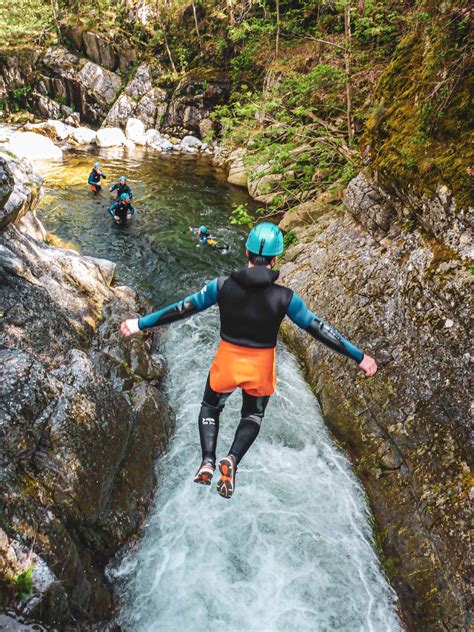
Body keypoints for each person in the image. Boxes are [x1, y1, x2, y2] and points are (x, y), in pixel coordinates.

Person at [120, 223, 377, 499]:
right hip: (261, 367)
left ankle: (207, 460)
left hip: (227, 361)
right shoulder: (286, 298)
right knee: (252, 415)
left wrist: (140, 323)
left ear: (246, 252)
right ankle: (231, 459)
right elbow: (320, 329)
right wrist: (359, 356)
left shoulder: (220, 286)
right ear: (276, 259)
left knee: (209, 407)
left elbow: (183, 308)